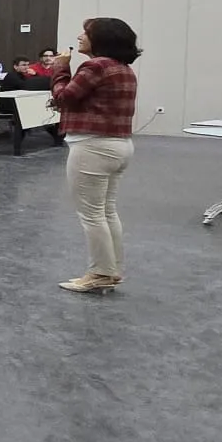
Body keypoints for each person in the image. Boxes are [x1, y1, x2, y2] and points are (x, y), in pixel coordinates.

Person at [50, 18, 140, 294]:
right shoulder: (123, 69)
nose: (79, 36)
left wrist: (60, 69)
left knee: (91, 215)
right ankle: (112, 270)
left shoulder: (95, 66)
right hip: (118, 145)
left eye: (86, 33)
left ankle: (100, 273)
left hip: (92, 147)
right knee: (106, 211)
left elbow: (64, 98)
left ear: (100, 40)